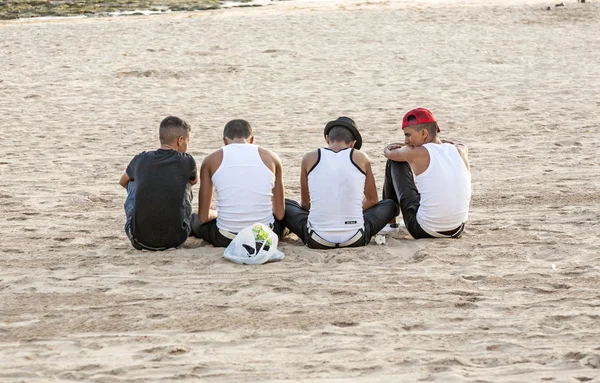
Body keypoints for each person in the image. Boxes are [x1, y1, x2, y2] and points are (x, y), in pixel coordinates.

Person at [283, 117, 398, 249]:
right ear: (353, 144)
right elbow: (372, 200)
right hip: (356, 237)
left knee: (285, 204)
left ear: (327, 139)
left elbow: (305, 204)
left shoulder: (309, 158)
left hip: (316, 238)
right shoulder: (361, 157)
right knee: (389, 204)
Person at [191, 119, 285, 247]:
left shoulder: (210, 160)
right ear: (252, 140)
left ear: (225, 141)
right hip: (264, 236)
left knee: (194, 220)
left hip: (226, 237)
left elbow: (203, 217)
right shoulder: (272, 158)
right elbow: (280, 214)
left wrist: (216, 214)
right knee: (289, 210)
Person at [382, 107, 471, 239]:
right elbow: (454, 143)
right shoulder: (461, 150)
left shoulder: (415, 152)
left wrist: (391, 147)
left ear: (424, 133)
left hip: (424, 230)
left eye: (408, 135)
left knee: (394, 161)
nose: (406, 141)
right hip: (457, 228)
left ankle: (390, 224)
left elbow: (388, 152)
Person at [119, 116, 199, 250]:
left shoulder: (140, 159)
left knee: (132, 182)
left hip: (139, 240)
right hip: (177, 239)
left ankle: (144, 221)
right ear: (180, 140)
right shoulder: (187, 160)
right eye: (187, 141)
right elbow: (195, 181)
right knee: (186, 182)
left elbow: (123, 182)